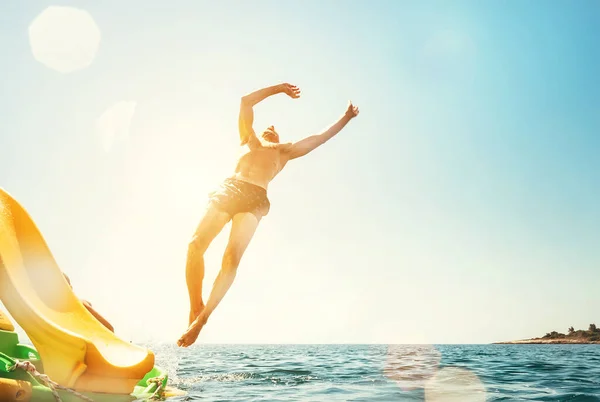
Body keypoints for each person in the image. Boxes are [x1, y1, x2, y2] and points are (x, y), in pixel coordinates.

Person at [177, 83, 359, 347]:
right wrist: (279, 89)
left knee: (231, 258)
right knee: (195, 245)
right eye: (267, 127)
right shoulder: (248, 141)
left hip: (255, 199)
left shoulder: (285, 152)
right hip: (231, 188)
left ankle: (202, 320)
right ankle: (196, 306)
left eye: (275, 129)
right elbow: (245, 102)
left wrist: (346, 117)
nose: (270, 127)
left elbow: (320, 138)